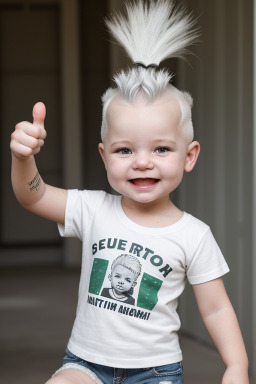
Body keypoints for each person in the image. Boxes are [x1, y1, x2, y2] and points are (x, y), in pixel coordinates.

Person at [10, 1, 249, 383]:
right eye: (125, 150)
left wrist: (237, 366)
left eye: (160, 149)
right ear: (105, 157)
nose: (142, 162)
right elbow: (33, 196)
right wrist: (24, 157)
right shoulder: (92, 209)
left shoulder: (194, 235)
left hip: (155, 372)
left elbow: (217, 309)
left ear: (189, 156)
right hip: (85, 364)